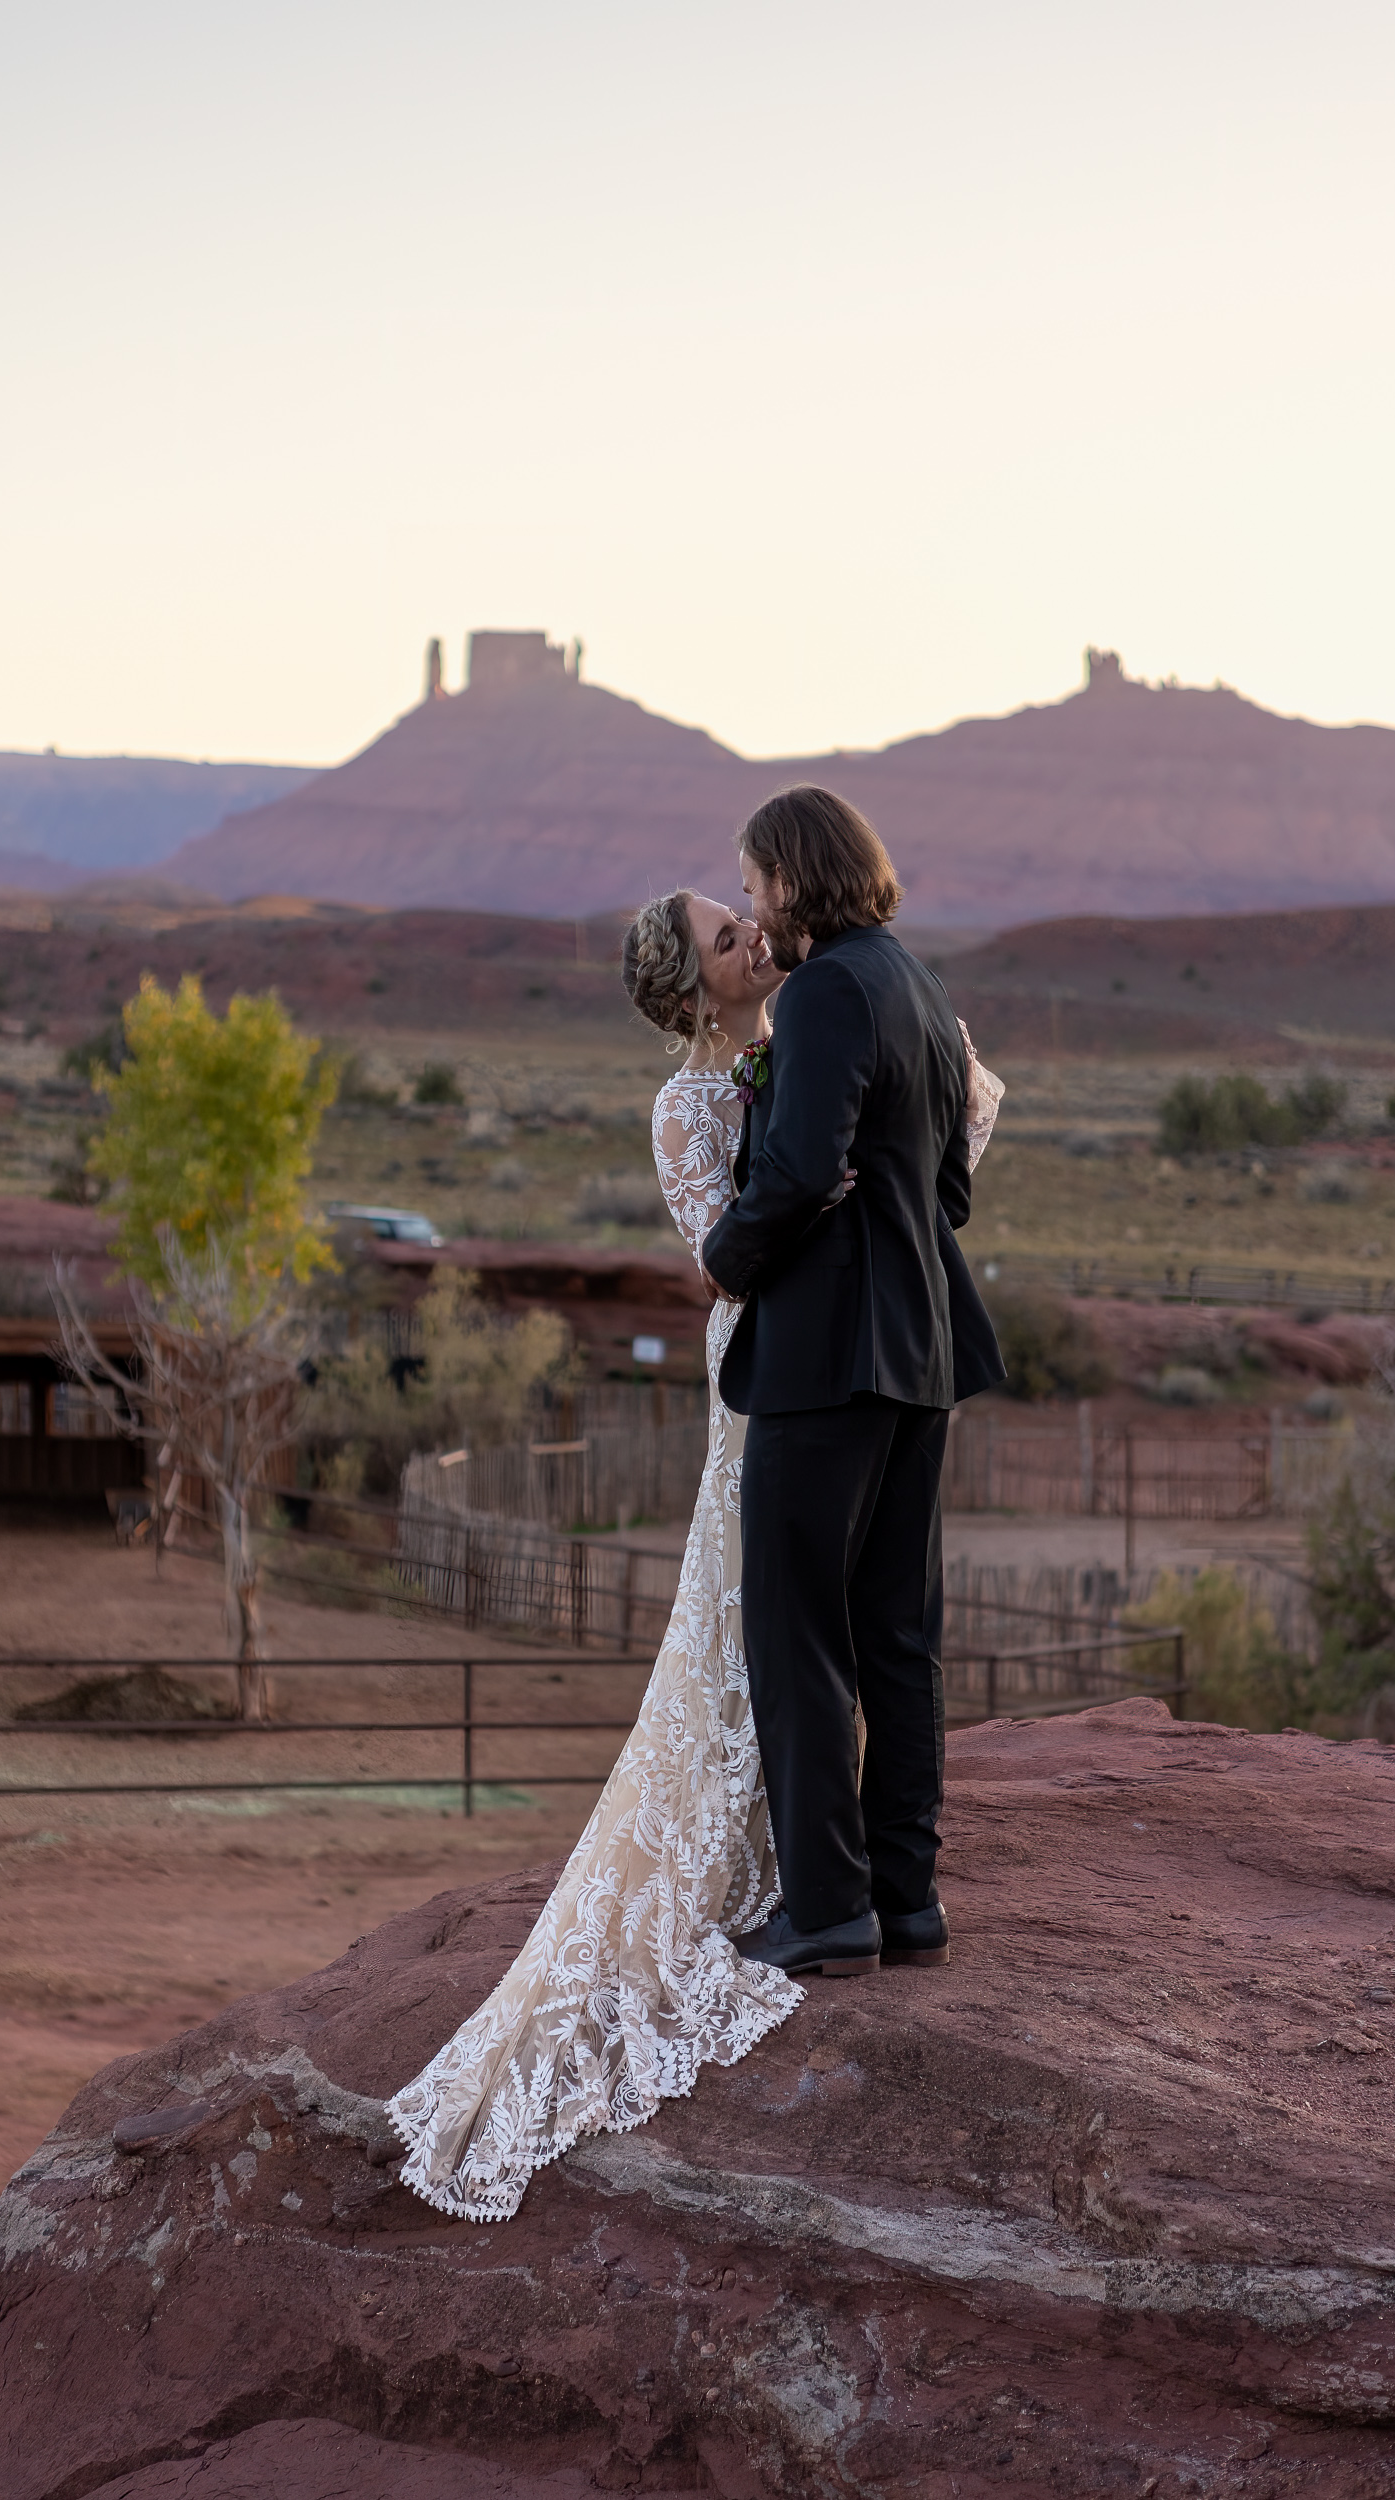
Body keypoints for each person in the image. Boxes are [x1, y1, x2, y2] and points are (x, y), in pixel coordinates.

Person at [386, 874, 1001, 2220]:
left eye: (749, 917)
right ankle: (793, 1869)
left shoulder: (821, 1027)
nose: (753, 935)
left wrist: (877, 1184)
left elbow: (961, 1101)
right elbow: (716, 1258)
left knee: (819, 1619)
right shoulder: (687, 1100)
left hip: (844, 1351)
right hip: (767, 1366)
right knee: (754, 1614)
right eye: (728, 936)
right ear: (695, 987)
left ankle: (823, 1879)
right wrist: (809, 1204)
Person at [703, 787, 1005, 1982]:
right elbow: (947, 1194)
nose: (749, 909)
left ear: (792, 877)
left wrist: (726, 1259)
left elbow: (795, 1168)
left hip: (828, 1355)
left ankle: (827, 1909)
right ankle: (905, 1898)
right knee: (894, 1631)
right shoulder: (916, 984)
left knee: (795, 1627)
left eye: (752, 883)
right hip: (920, 1350)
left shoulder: (827, 989)